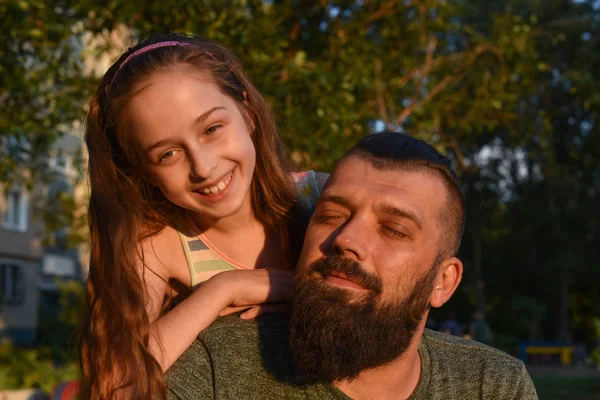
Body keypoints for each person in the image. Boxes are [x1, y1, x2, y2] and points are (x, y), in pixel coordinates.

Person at [165, 132, 539, 399]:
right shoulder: (215, 368)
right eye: (330, 214)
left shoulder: (492, 386)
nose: (346, 239)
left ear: (443, 282)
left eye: (393, 229)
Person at [79, 33, 327, 399]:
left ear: (249, 113)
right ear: (144, 171)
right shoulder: (160, 243)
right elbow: (114, 386)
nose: (204, 167)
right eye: (168, 154)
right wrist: (224, 288)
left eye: (212, 129)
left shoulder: (323, 200)